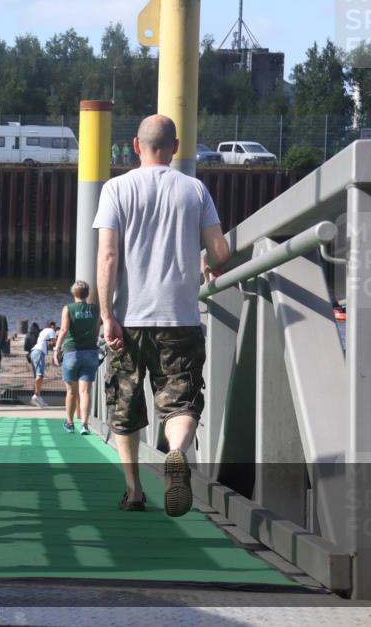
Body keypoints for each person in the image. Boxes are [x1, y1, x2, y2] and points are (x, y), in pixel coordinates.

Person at [93, 114, 231, 516]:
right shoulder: (195, 189)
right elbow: (220, 252)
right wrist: (206, 261)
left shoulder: (115, 189)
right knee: (180, 401)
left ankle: (134, 491)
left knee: (126, 406)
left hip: (129, 317)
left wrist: (107, 315)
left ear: (136, 146)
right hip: (181, 317)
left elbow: (108, 256)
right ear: (174, 148)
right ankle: (175, 453)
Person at [52, 281, 100, 435]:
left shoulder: (68, 309)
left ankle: (70, 422)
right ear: (87, 293)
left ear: (73, 294)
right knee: (85, 392)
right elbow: (97, 328)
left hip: (72, 352)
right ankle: (85, 424)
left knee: (71, 391)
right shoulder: (95, 309)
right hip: (91, 352)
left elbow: (65, 329)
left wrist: (56, 348)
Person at [28, 321, 57, 407]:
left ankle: (38, 396)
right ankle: (36, 395)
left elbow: (50, 344)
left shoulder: (43, 331)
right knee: (40, 375)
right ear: (51, 325)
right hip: (39, 352)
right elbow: (55, 343)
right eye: (55, 327)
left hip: (33, 352)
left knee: (37, 376)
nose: (55, 329)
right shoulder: (51, 330)